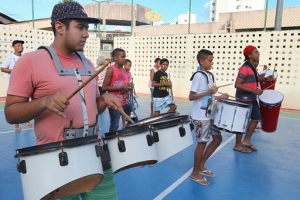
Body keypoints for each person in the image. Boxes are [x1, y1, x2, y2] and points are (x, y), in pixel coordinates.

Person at [4, 2, 121, 199]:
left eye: (87, 28)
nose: (86, 34)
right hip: (56, 161)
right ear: (60, 27)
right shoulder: (30, 61)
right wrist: (43, 102)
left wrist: (103, 100)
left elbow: (91, 110)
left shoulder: (89, 64)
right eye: (80, 27)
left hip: (96, 155)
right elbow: (10, 113)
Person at [189, 49, 229, 186]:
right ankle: (195, 173)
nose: (212, 62)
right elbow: (191, 96)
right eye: (210, 60)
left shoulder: (209, 75)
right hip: (200, 116)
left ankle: (201, 165)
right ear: (202, 61)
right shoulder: (198, 76)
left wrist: (218, 96)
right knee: (202, 143)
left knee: (217, 138)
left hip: (210, 114)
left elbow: (208, 96)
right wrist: (209, 91)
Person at [233, 45, 273, 153]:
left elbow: (255, 78)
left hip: (251, 98)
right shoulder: (245, 68)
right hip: (244, 99)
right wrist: (253, 91)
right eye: (256, 52)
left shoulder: (252, 67)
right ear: (249, 55)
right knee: (241, 122)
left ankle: (246, 141)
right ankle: (237, 145)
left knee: (256, 118)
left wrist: (265, 78)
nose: (258, 54)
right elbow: (237, 84)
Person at [1, 40, 32, 131]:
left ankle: (25, 120)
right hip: (14, 85)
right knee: (15, 105)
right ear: (14, 47)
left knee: (25, 104)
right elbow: (2, 68)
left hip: (25, 84)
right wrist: (14, 70)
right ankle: (16, 125)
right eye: (18, 45)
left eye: (21, 45)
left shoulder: (24, 58)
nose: (21, 47)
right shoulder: (10, 58)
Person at [102, 48, 132, 132]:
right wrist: (121, 88)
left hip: (124, 101)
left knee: (131, 119)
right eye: (122, 57)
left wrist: (127, 90)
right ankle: (110, 142)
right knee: (114, 125)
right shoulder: (111, 70)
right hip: (114, 103)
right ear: (115, 58)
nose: (124, 59)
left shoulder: (123, 70)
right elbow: (104, 87)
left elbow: (123, 84)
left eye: (125, 57)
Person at [121, 59, 138, 128]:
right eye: (128, 66)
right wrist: (128, 84)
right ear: (124, 65)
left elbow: (129, 81)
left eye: (130, 66)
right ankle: (124, 123)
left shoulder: (129, 73)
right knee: (123, 110)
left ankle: (126, 120)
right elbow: (121, 83)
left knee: (132, 106)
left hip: (128, 93)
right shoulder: (121, 73)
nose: (129, 67)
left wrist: (131, 85)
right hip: (122, 93)